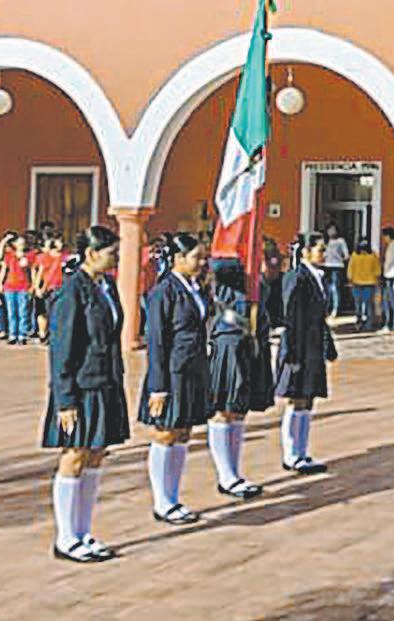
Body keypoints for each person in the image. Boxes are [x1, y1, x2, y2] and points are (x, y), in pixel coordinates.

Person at [42, 225, 128, 563]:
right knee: (75, 455)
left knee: (95, 455)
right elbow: (61, 349)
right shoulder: (72, 291)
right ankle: (66, 537)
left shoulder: (106, 287)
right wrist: (65, 400)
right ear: (91, 254)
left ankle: (83, 530)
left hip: (105, 382)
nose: (117, 258)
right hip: (81, 386)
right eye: (111, 252)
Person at [138, 233, 213, 525]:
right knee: (165, 433)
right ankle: (162, 501)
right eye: (197, 257)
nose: (202, 262)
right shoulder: (164, 291)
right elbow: (156, 341)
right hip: (171, 373)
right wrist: (158, 387)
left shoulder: (195, 288)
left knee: (183, 432)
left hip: (193, 369)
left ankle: (173, 496)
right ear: (179, 258)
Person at [205, 256, 268, 500]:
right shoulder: (226, 284)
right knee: (224, 410)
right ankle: (226, 475)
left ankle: (234, 471)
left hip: (246, 346)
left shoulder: (255, 286)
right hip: (227, 345)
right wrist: (243, 260)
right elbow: (218, 268)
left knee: (239, 410)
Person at [277, 235, 338, 475]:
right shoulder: (297, 277)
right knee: (297, 398)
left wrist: (328, 346)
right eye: (319, 250)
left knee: (309, 398)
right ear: (305, 252)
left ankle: (302, 451)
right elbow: (289, 315)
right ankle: (291, 454)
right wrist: (291, 351)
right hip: (298, 347)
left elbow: (320, 318)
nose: (324, 254)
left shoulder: (319, 278)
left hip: (313, 346)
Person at [0, 232, 36, 345]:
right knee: (11, 312)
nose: (21, 245)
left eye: (23, 243)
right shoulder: (9, 255)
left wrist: (33, 285)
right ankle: (12, 334)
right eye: (19, 243)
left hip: (23, 286)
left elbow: (32, 271)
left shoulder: (29, 256)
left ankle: (22, 334)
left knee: (23, 311)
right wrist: (0, 282)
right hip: (10, 286)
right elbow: (4, 268)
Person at [346, 241, 381, 331]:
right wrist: (377, 281)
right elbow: (377, 270)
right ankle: (369, 325)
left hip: (356, 283)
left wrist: (350, 280)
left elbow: (350, 269)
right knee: (369, 305)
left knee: (358, 305)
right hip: (370, 283)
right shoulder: (373, 256)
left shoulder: (354, 256)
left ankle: (359, 324)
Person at [320, 224, 350, 317]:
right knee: (326, 288)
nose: (331, 232)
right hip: (326, 266)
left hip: (337, 266)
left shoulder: (340, 241)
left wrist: (339, 258)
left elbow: (346, 255)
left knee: (335, 288)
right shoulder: (325, 242)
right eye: (330, 230)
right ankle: (326, 307)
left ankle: (335, 308)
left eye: (333, 229)